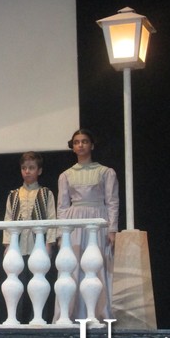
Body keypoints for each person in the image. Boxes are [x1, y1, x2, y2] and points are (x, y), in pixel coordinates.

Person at [54, 129, 119, 322]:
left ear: (92, 145)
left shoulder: (105, 172)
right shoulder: (66, 175)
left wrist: (112, 229)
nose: (80, 145)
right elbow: (62, 206)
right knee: (72, 265)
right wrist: (61, 233)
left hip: (97, 219)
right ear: (72, 147)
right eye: (76, 142)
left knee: (97, 265)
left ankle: (99, 313)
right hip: (75, 221)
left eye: (84, 141)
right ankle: (70, 313)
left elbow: (112, 202)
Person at [2, 151, 57, 323]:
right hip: (18, 247)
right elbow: (8, 220)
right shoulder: (13, 194)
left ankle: (39, 319)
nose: (27, 171)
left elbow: (52, 219)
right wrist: (7, 245)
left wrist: (49, 244)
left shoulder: (46, 193)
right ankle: (15, 318)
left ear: (39, 170)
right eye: (24, 168)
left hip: (38, 246)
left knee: (39, 285)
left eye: (31, 168)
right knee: (16, 284)